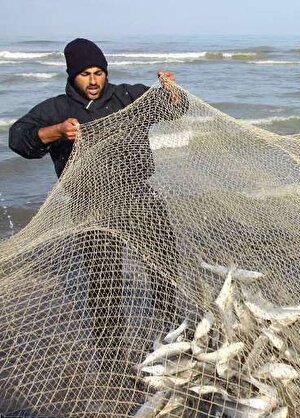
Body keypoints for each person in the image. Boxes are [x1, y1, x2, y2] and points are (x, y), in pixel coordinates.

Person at [8, 38, 187, 369]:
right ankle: (112, 358)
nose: (93, 81)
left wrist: (171, 89)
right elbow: (18, 138)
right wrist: (57, 132)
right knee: (105, 282)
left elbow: (173, 109)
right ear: (71, 76)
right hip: (91, 205)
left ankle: (170, 337)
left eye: (99, 72)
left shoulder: (127, 95)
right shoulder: (57, 108)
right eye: (85, 74)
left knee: (164, 267)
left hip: (138, 196)